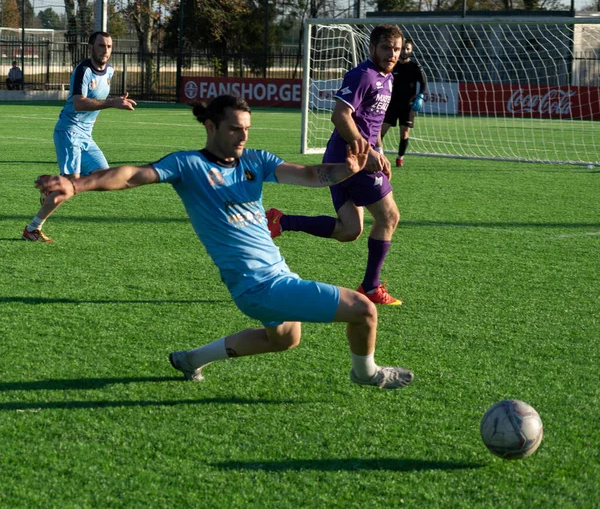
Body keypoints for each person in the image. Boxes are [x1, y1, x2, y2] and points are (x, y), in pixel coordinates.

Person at [35, 95, 414, 389]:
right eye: (234, 129)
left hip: (274, 273)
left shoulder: (256, 160)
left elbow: (312, 174)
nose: (243, 136)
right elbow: (132, 174)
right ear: (212, 127)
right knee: (363, 309)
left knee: (285, 337)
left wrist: (347, 169)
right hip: (258, 285)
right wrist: (76, 183)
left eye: (246, 128)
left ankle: (191, 359)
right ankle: (365, 374)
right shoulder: (188, 165)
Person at [266, 24, 404, 306]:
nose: (392, 54)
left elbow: (371, 122)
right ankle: (370, 287)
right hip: (350, 159)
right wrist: (367, 153)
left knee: (349, 230)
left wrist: (379, 149)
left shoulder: (388, 78)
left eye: (397, 49)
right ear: (372, 48)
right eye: (386, 48)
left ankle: (281, 221)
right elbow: (340, 116)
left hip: (350, 157)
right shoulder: (362, 75)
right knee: (389, 217)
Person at [22, 31, 136, 242]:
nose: (106, 50)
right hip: (68, 132)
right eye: (101, 46)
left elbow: (96, 103)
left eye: (109, 47)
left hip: (86, 136)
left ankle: (52, 189)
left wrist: (114, 100)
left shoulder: (109, 71)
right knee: (70, 186)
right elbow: (78, 102)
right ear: (91, 48)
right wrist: (112, 103)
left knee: (103, 175)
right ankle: (32, 228)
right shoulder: (83, 70)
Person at [380, 39, 428, 168]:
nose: (405, 51)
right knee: (381, 131)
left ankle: (400, 158)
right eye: (403, 48)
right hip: (391, 104)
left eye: (407, 49)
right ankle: (377, 154)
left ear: (411, 51)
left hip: (408, 105)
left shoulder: (415, 67)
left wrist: (420, 96)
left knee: (404, 133)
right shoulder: (392, 65)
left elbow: (423, 82)